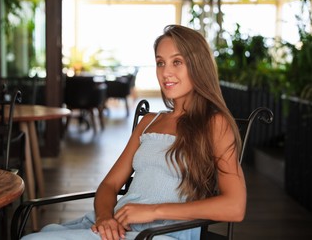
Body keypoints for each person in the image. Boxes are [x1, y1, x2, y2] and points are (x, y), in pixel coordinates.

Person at [21, 25, 246, 240]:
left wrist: (153, 211)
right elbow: (109, 186)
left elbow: (235, 207)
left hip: (161, 233)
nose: (166, 72)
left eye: (177, 62)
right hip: (117, 228)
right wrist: (105, 218)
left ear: (198, 65)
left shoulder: (214, 124)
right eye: (160, 63)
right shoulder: (149, 121)